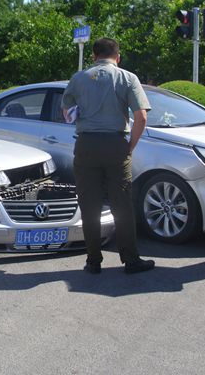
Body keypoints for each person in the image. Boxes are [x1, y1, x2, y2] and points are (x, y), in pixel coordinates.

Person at [61, 37, 155, 275]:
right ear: (118, 56)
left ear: (94, 56)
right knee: (122, 204)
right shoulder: (127, 78)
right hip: (116, 145)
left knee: (89, 205)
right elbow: (141, 117)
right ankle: (131, 260)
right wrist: (129, 146)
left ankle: (93, 261)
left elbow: (67, 113)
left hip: (86, 146)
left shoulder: (78, 78)